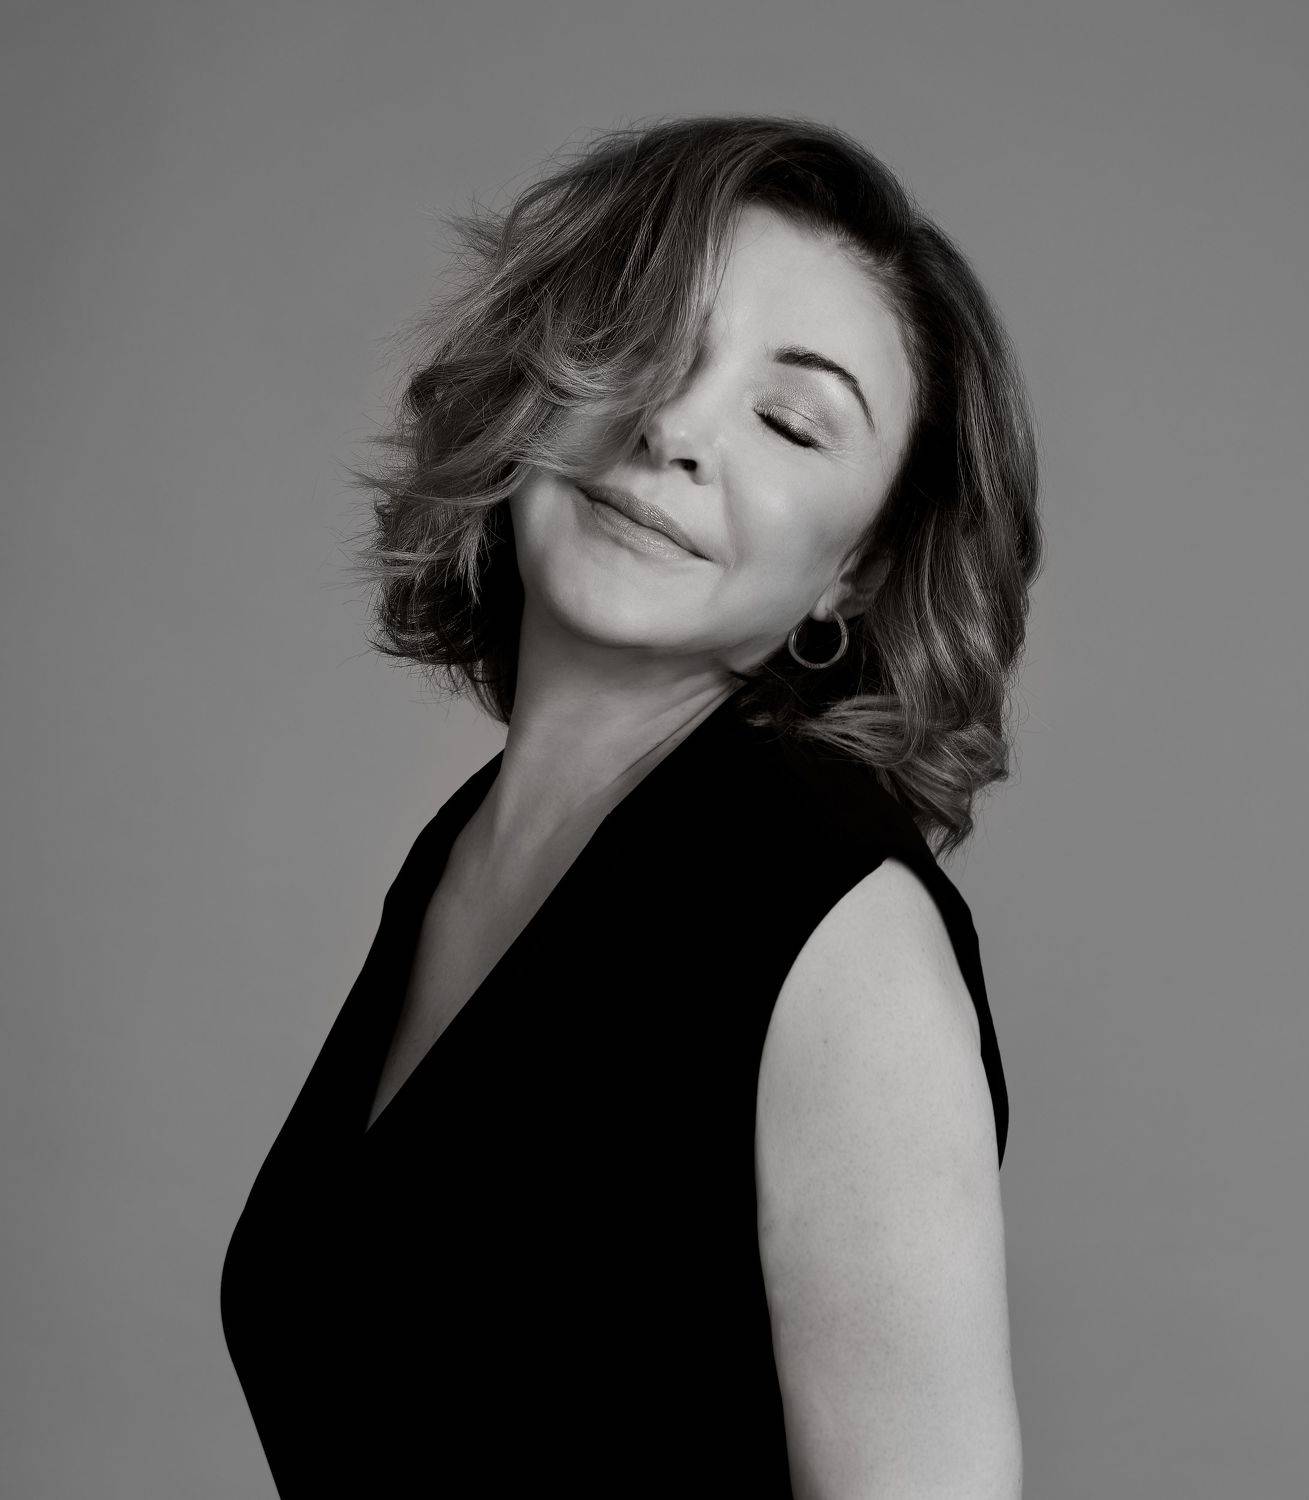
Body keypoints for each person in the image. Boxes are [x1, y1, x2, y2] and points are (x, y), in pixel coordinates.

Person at [221, 113, 1042, 1497]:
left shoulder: (840, 930)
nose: (673, 429)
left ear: (855, 571)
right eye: (647, 345)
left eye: (790, 421)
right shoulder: (468, 849)